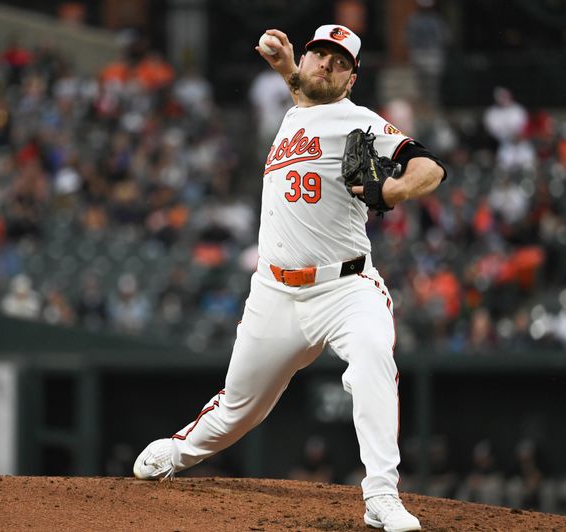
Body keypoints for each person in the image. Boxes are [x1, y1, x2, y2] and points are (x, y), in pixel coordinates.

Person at [133, 24, 446, 532]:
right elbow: (304, 90)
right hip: (274, 292)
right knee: (239, 411)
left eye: (339, 61)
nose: (326, 64)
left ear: (351, 79)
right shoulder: (297, 108)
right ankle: (179, 451)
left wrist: (391, 192)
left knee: (372, 356)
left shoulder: (358, 120)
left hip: (346, 287)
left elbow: (429, 167)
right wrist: (285, 67)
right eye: (320, 54)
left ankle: (381, 496)